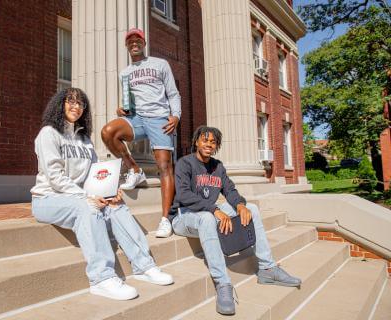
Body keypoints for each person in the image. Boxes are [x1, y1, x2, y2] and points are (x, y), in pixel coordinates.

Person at [30, 88, 173, 301]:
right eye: (70, 101)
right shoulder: (48, 134)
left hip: (79, 196)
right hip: (48, 198)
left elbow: (95, 173)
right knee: (88, 207)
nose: (75, 106)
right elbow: (55, 177)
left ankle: (144, 266)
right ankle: (102, 278)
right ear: (60, 104)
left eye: (80, 103)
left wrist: (109, 191)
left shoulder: (84, 139)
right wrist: (86, 197)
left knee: (117, 205)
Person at [169, 126, 301, 315]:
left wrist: (239, 205)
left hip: (208, 212)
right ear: (196, 142)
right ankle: (223, 283)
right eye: (205, 140)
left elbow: (229, 190)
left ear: (217, 146)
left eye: (213, 142)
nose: (209, 144)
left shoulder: (218, 166)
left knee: (251, 209)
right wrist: (214, 210)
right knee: (207, 218)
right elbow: (184, 195)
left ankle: (267, 269)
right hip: (184, 216)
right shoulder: (185, 163)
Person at [101, 28, 181, 238]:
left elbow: (173, 93)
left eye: (137, 40)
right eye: (130, 41)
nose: (134, 43)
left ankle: (166, 219)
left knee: (164, 165)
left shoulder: (160, 64)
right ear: (127, 46)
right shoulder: (125, 73)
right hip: (138, 119)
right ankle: (135, 170)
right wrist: (123, 110)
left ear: (143, 43)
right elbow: (130, 103)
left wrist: (176, 116)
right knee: (108, 132)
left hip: (159, 118)